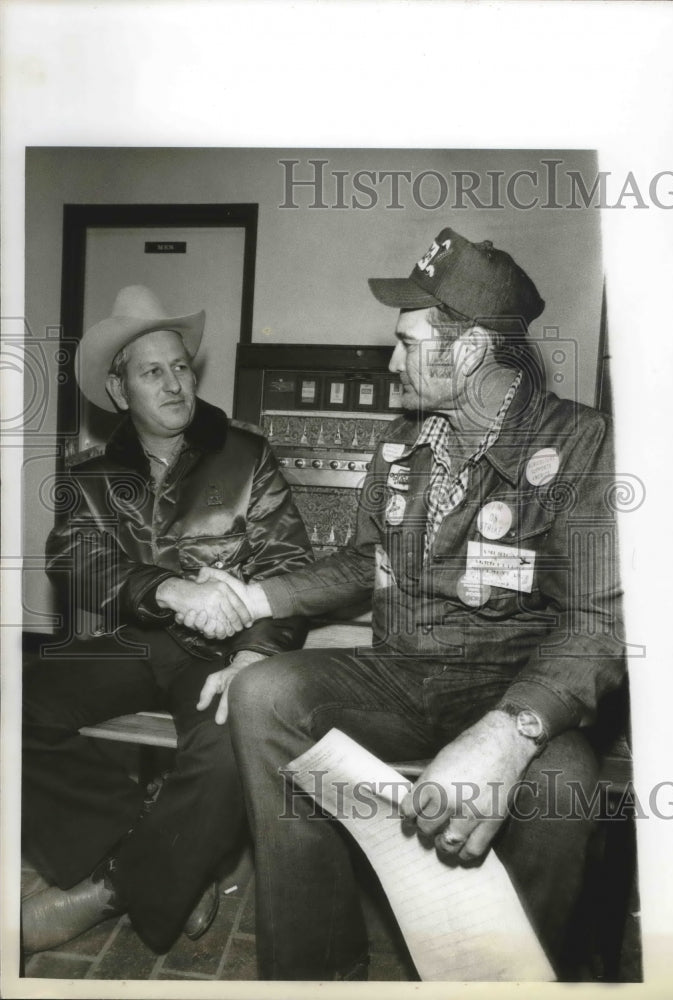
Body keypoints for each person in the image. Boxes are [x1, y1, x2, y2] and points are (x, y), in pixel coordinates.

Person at [188, 229, 626, 981]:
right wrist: (257, 597)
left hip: (514, 686)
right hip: (403, 675)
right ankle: (317, 972)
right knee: (265, 693)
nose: (390, 361)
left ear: (470, 349)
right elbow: (368, 559)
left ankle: (515, 980)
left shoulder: (582, 446)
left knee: (564, 783)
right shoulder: (404, 443)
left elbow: (600, 621)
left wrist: (508, 734)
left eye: (407, 342)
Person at [22, 285, 313, 954]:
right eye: (153, 371)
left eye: (180, 365)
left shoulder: (247, 456)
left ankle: (119, 888)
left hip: (224, 653)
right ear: (121, 391)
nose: (175, 382)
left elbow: (289, 567)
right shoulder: (90, 475)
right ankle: (161, 844)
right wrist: (171, 591)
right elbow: (74, 559)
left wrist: (254, 653)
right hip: (131, 643)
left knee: (233, 738)